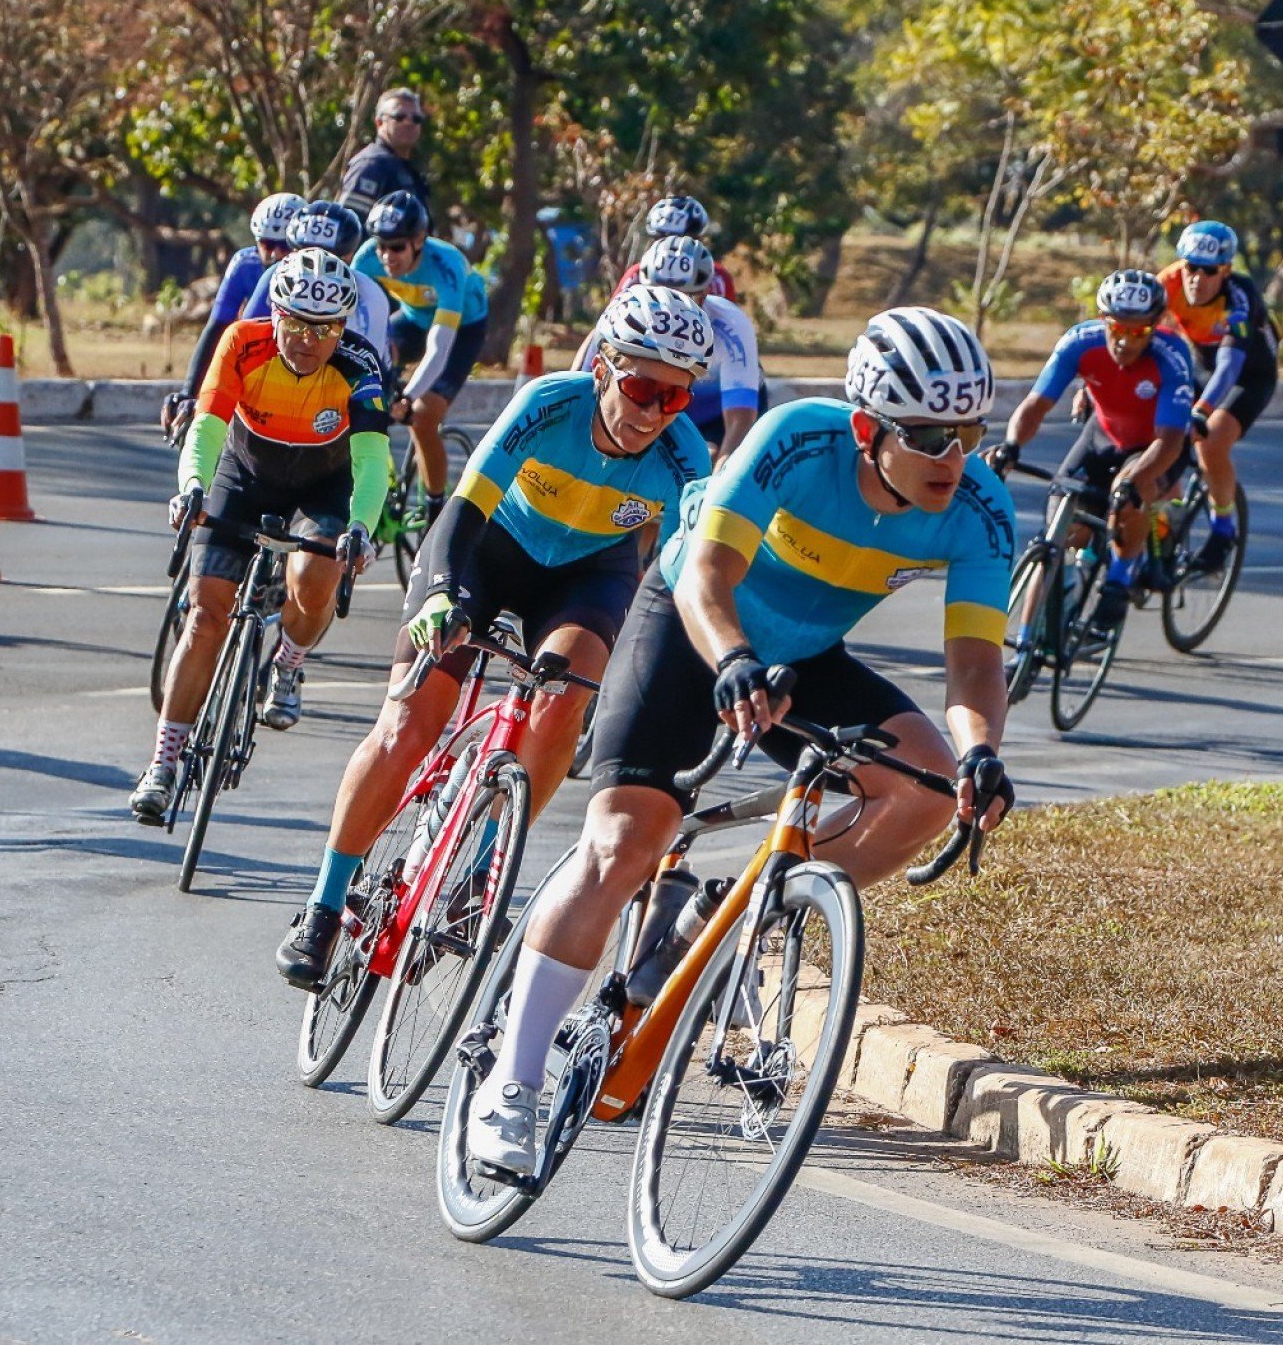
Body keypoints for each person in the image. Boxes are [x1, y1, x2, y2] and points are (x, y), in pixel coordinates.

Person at [462, 307, 1018, 1175]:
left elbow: (975, 657)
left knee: (931, 784)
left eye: (969, 433)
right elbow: (709, 576)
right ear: (869, 430)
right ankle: (512, 1082)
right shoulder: (794, 441)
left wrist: (982, 748)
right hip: (689, 633)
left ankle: (733, 912)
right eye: (929, 436)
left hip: (801, 656)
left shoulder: (979, 505)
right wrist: (732, 659)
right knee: (626, 843)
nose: (954, 457)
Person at [274, 285, 715, 986]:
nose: (653, 413)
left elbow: (698, 574)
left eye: (676, 398)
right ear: (603, 367)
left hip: (587, 573)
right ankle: (324, 907)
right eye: (640, 388)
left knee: (566, 696)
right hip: (487, 550)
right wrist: (440, 593)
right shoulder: (549, 404)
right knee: (409, 723)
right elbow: (464, 508)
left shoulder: (688, 459)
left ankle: (481, 867)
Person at [129, 251, 389, 822]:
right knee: (205, 614)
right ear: (274, 312)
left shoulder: (361, 364)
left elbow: (373, 460)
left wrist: (363, 527)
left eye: (322, 328)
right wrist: (192, 484)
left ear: (343, 327)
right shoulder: (242, 343)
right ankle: (162, 763)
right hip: (244, 475)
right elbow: (208, 424)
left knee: (315, 574)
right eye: (293, 322)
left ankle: (289, 663)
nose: (305, 339)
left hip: (325, 482)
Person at [998, 269, 1196, 630]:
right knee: (1059, 531)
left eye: (1137, 331)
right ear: (1103, 320)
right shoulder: (1079, 342)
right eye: (1117, 328)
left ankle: (1118, 584)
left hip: (1154, 444)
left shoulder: (1171, 356)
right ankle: (1025, 646)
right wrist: (1011, 446)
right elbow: (1035, 406)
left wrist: (1132, 482)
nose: (1124, 341)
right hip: (1103, 436)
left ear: (1154, 327)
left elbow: (1169, 442)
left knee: (1130, 491)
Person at [354, 191, 489, 521]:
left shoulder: (446, 265)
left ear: (418, 240)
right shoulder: (366, 258)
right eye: (381, 245)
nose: (386, 256)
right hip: (413, 320)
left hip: (462, 329)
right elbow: (358, 328)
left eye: (397, 246)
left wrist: (408, 396)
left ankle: (435, 509)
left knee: (422, 414)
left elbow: (439, 347)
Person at [1157, 220, 1279, 573]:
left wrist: (1201, 411)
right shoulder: (1168, 282)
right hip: (1201, 364)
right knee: (1160, 434)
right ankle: (1167, 519)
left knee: (1209, 441)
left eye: (1208, 271)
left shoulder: (1239, 301)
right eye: (1190, 267)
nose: (1196, 278)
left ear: (1225, 271)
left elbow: (1228, 369)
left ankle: (1223, 528)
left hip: (1248, 374)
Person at [579, 236, 759, 462]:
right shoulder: (624, 313)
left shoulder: (732, 324)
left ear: (705, 294)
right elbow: (582, 382)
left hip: (714, 415)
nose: (670, 307)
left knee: (712, 458)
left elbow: (740, 419)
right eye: (657, 296)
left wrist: (721, 476)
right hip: (660, 407)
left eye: (685, 297)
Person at [161, 193, 302, 437]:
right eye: (267, 244)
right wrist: (190, 391)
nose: (275, 255)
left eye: (284, 246)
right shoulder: (244, 264)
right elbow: (217, 327)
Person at [242, 200, 391, 372]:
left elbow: (372, 369)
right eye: (306, 255)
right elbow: (246, 342)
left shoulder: (370, 294)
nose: (316, 268)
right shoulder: (275, 274)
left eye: (327, 260)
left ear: (348, 257)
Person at [612, 195, 737, 300]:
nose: (673, 246)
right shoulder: (637, 274)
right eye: (663, 238)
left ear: (699, 240)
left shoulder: (718, 277)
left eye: (683, 240)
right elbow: (611, 318)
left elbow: (731, 322)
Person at [339, 87, 432, 226]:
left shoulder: (408, 169)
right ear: (379, 122)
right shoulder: (371, 165)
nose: (409, 123)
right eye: (399, 117)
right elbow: (348, 227)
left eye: (416, 118)